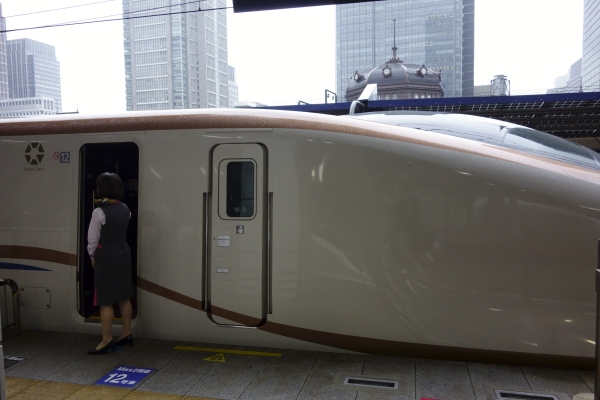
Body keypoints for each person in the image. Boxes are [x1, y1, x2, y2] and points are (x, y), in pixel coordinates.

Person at [87, 172, 135, 355]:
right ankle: (126, 332)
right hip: (124, 254)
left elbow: (93, 240)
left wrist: (93, 257)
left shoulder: (99, 212)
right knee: (124, 296)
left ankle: (107, 339)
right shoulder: (125, 208)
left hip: (106, 256)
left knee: (105, 300)